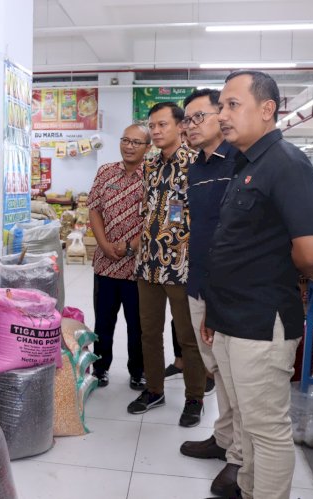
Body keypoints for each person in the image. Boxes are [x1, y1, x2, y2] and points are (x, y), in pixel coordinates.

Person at [203, 71, 313, 499]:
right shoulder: (247, 164)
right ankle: (250, 489)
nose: (222, 114)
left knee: (267, 429)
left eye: (231, 104)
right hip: (233, 317)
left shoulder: (287, 165)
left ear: (267, 109)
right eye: (221, 106)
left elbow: (312, 253)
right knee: (248, 423)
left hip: (261, 320)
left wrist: (273, 269)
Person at [175, 88, 241, 498]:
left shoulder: (239, 162)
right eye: (187, 120)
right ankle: (222, 438)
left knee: (237, 377)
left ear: (221, 115)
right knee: (216, 367)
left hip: (229, 288)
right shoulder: (197, 166)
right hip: (198, 281)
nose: (189, 127)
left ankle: (239, 459)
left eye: (197, 117)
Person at [125, 102, 206, 428]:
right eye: (152, 126)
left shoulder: (196, 163)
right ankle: (154, 389)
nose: (156, 131)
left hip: (182, 264)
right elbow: (149, 209)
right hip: (148, 263)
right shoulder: (149, 165)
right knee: (149, 331)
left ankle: (195, 398)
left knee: (188, 336)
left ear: (179, 126)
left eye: (162, 125)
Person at [87, 124, 148, 391]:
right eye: (125, 140)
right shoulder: (106, 172)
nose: (129, 146)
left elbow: (157, 219)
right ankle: (100, 369)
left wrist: (130, 246)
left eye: (136, 142)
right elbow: (94, 209)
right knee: (103, 323)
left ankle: (138, 371)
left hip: (139, 267)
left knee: (139, 326)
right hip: (105, 264)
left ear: (148, 147)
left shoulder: (154, 176)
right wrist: (103, 243)